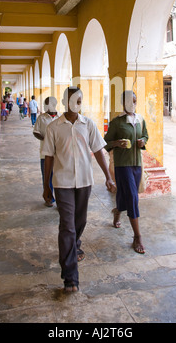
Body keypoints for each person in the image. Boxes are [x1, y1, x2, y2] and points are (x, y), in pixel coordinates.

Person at [41, 86, 116, 292]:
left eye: (80, 100)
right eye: (74, 99)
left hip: (84, 181)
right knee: (68, 226)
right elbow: (48, 157)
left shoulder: (88, 124)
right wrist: (46, 186)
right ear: (66, 101)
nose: (78, 103)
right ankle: (70, 277)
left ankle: (73, 246)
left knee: (79, 222)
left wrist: (108, 177)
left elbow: (99, 150)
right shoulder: (54, 127)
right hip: (63, 183)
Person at [104, 90, 149, 254]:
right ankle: (137, 236)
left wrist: (142, 141)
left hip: (137, 164)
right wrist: (117, 143)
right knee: (132, 196)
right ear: (123, 103)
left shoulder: (140, 120)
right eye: (129, 102)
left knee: (127, 193)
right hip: (122, 165)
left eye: (135, 101)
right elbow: (106, 142)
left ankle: (117, 211)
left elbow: (146, 136)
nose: (132, 104)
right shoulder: (117, 122)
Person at [33, 96, 59, 207]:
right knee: (47, 176)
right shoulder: (41, 118)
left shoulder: (60, 118)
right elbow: (35, 132)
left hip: (59, 154)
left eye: (48, 104)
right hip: (45, 153)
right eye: (45, 104)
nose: (46, 106)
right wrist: (45, 138)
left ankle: (60, 200)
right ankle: (49, 198)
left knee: (58, 177)